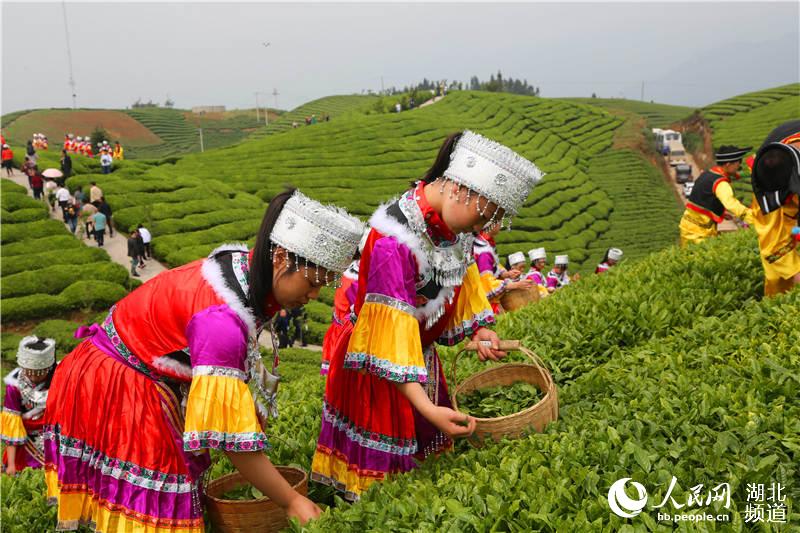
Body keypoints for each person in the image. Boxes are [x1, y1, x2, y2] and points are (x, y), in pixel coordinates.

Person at [43, 190, 364, 531]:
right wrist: (291, 500)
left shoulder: (245, 268)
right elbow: (231, 441)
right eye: (312, 283)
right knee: (159, 511)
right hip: (116, 381)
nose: (314, 296)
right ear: (281, 258)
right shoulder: (221, 322)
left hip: (132, 368)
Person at [312, 130, 543, 501]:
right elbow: (389, 347)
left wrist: (480, 331)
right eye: (481, 216)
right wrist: (428, 408)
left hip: (417, 356)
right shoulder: (394, 242)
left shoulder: (456, 226)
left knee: (426, 477)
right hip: (378, 367)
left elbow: (461, 276)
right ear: (456, 188)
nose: (480, 230)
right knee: (386, 494)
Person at [749, 120, 800, 296]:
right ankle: (778, 302)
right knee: (777, 268)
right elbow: (773, 243)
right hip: (776, 179)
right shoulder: (773, 183)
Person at [1, 337, 57, 477]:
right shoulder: (14, 388)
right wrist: (12, 464)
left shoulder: (59, 381)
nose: (32, 377)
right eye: (28, 371)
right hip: (25, 444)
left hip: (55, 441)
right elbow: (12, 428)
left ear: (48, 368)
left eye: (38, 373)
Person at [679, 145, 755, 247]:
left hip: (689, 225)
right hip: (698, 232)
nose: (739, 166)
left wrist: (721, 213)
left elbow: (703, 199)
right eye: (738, 163)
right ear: (728, 164)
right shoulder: (721, 184)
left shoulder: (709, 173)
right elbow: (732, 205)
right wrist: (754, 219)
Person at [473, 224, 532, 313]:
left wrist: (506, 274)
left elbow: (494, 265)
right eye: (499, 221)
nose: (501, 225)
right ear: (492, 223)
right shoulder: (483, 252)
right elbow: (487, 284)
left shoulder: (486, 242)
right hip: (486, 305)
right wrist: (516, 285)